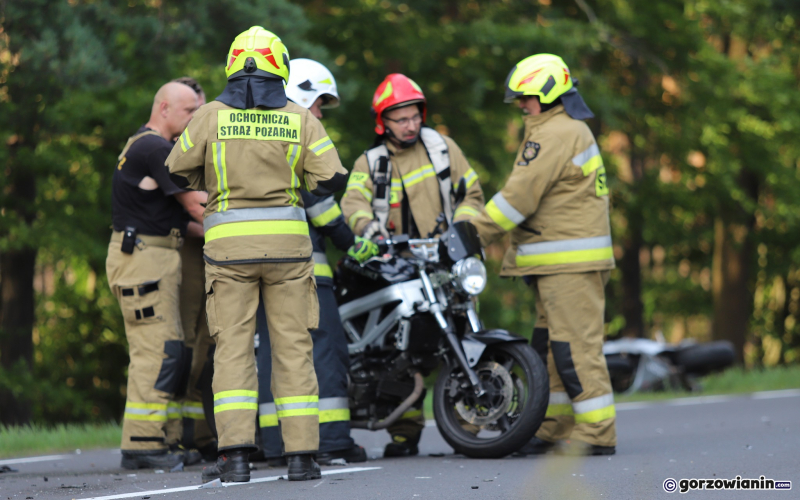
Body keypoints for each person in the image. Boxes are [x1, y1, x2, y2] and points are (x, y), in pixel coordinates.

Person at [166, 26, 349, 483]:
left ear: (232, 66)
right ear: (279, 66)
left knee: (233, 351)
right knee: (293, 349)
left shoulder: (209, 116)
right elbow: (333, 177)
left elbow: (176, 168)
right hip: (289, 252)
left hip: (229, 253)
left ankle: (237, 459)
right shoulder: (299, 117)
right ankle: (303, 458)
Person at [469, 54, 617, 456]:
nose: (520, 104)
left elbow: (519, 197)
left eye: (526, 97)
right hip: (559, 264)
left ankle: (597, 431)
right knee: (550, 350)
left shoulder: (554, 134)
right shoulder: (562, 130)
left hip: (569, 265)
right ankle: (551, 427)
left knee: (575, 349)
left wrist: (472, 233)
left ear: (548, 95)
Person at [340, 73, 485, 457]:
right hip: (398, 270)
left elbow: (472, 192)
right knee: (402, 353)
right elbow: (351, 204)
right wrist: (371, 229)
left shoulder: (442, 147)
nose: (410, 125)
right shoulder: (370, 162)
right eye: (401, 119)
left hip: (447, 261)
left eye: (415, 116)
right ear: (382, 122)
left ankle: (474, 424)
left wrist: (461, 228)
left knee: (464, 339)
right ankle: (405, 434)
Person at [255, 58, 374, 467]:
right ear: (299, 97)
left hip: (248, 265)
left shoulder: (249, 130)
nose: (321, 113)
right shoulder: (294, 132)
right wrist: (354, 245)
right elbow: (320, 206)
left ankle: (274, 444)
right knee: (322, 351)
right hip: (303, 270)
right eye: (319, 104)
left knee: (270, 353)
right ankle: (333, 440)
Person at [106, 81, 201, 469]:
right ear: (164, 108)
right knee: (155, 351)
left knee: (171, 349)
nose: (195, 118)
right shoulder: (154, 148)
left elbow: (186, 220)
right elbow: (197, 206)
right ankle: (142, 445)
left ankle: (167, 438)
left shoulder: (149, 146)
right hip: (143, 259)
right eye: (189, 111)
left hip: (156, 256)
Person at [164, 77, 218, 465]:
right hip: (183, 254)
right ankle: (172, 434)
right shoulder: (166, 151)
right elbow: (191, 211)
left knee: (206, 346)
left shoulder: (206, 145)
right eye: (191, 110)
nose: (197, 116)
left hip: (210, 254)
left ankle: (198, 434)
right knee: (181, 346)